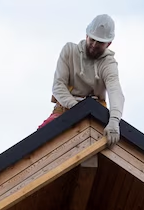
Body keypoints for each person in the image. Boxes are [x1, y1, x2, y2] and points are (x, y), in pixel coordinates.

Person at [38, 14, 125, 145]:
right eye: (92, 40)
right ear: (86, 36)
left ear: (109, 44)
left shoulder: (108, 64)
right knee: (40, 139)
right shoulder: (70, 51)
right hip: (65, 110)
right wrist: (77, 108)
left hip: (95, 113)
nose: (94, 45)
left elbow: (115, 91)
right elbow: (58, 85)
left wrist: (114, 121)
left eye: (100, 42)